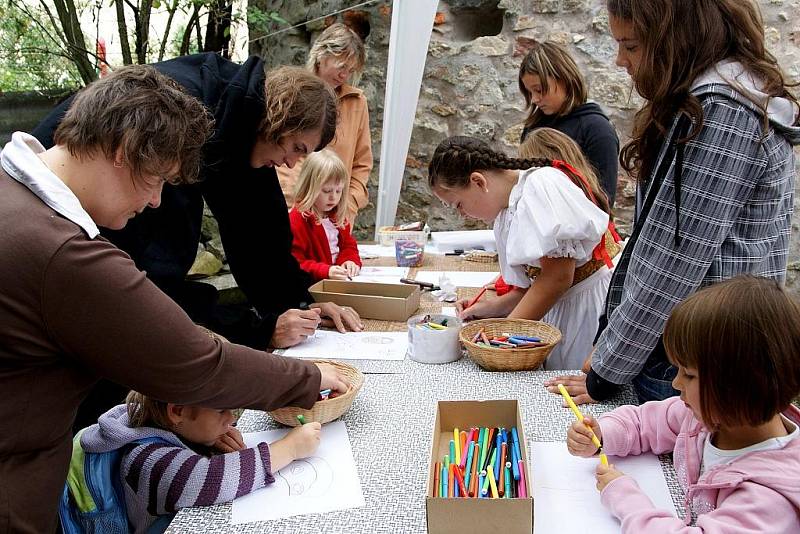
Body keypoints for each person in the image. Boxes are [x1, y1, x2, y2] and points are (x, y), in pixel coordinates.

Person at [0, 65, 347, 533]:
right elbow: (192, 362)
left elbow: (258, 232)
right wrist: (307, 378)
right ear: (124, 152)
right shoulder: (64, 254)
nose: (160, 202)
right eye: (159, 179)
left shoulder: (15, 199)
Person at [33, 56, 364, 432]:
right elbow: (155, 302)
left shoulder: (238, 122)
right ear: (278, 121)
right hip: (63, 257)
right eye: (297, 148)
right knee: (95, 384)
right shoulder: (177, 127)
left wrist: (301, 302)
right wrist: (260, 335)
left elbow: (260, 233)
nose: (292, 165)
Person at [548, 0, 799, 404]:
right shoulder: (714, 100)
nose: (619, 60)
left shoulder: (723, 111)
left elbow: (674, 260)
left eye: (630, 46)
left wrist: (607, 370)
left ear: (674, 39)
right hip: (696, 346)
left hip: (702, 356)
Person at [566, 276, 800, 532]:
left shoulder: (767, 499)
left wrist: (624, 498)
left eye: (688, 374)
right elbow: (644, 421)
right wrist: (602, 435)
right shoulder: (707, 417)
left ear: (737, 385)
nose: (676, 384)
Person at [428, 136, 619, 370]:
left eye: (459, 205)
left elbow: (557, 278)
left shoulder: (540, 187)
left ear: (478, 181)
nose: (462, 215)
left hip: (585, 307)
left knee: (570, 383)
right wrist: (493, 308)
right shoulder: (507, 210)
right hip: (561, 304)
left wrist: (505, 334)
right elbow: (532, 287)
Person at [76, 391, 323, 532]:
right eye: (222, 411)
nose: (230, 420)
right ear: (177, 412)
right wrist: (289, 448)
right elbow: (211, 480)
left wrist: (207, 439)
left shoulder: (156, 417)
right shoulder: (146, 461)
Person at [277, 22, 373, 224]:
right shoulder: (291, 93)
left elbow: (361, 165)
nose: (345, 75)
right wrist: (295, 203)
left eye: (351, 70)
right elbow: (279, 156)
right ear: (321, 55)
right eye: (342, 66)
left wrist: (348, 204)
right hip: (293, 213)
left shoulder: (357, 102)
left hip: (337, 219)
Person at [518, 40, 619, 205]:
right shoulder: (533, 126)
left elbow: (604, 200)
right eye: (529, 92)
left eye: (539, 90)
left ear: (564, 79)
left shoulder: (597, 129)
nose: (535, 99)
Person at [289, 149, 363, 282]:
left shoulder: (336, 215)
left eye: (338, 191)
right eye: (326, 191)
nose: (333, 197)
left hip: (337, 282)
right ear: (309, 187)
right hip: (313, 287)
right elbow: (295, 262)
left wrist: (349, 261)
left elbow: (348, 245)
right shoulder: (298, 220)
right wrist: (326, 270)